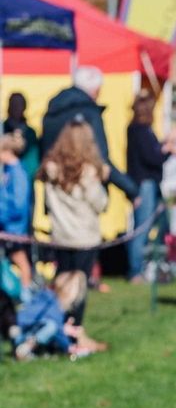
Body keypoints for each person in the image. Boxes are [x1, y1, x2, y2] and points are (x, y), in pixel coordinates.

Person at [37, 117, 108, 333]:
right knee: (78, 287)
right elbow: (100, 203)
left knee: (61, 284)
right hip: (84, 239)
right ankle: (74, 330)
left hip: (61, 236)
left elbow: (48, 203)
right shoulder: (88, 172)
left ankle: (54, 327)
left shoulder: (51, 170)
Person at [41, 66, 137, 200]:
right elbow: (101, 158)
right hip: (84, 189)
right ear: (95, 89)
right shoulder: (89, 114)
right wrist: (130, 189)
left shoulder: (53, 111)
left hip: (56, 187)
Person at [126, 91, 176, 283]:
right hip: (145, 184)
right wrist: (167, 149)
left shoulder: (139, 130)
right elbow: (152, 158)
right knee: (141, 228)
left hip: (149, 183)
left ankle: (156, 265)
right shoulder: (140, 131)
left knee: (159, 224)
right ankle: (135, 271)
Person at [0, 131, 33, 288]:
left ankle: (26, 297)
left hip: (14, 229)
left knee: (20, 261)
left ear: (7, 151)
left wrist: (2, 215)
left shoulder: (18, 173)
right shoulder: (7, 172)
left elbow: (18, 205)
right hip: (7, 227)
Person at [4, 92, 40, 181]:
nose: (16, 108)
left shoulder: (30, 133)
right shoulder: (2, 129)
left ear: (24, 107)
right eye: (13, 104)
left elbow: (33, 162)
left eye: (19, 104)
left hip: (25, 180)